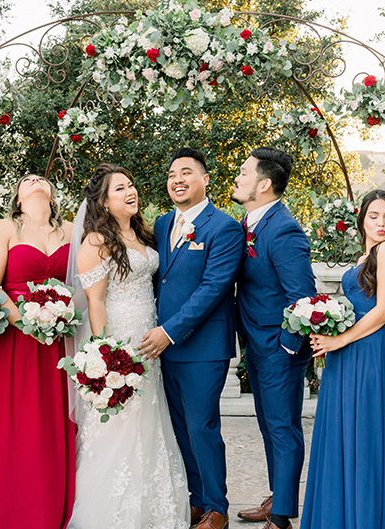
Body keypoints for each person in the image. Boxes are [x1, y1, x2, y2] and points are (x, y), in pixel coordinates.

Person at [67, 164, 189, 529]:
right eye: (120, 189)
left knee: (150, 416)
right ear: (103, 202)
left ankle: (152, 509)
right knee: (119, 424)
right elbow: (96, 302)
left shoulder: (145, 234)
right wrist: (107, 358)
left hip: (150, 337)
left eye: (131, 186)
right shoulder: (96, 242)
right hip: (119, 339)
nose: (130, 192)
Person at [139, 147, 243, 529]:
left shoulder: (225, 227)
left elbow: (214, 287)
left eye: (186, 172)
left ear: (205, 179)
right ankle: (197, 499)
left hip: (201, 347)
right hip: (162, 348)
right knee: (181, 427)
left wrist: (169, 331)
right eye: (171, 174)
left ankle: (218, 507)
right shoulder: (163, 224)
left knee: (202, 426)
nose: (177, 180)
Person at [301, 189, 385, 529]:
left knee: (365, 439)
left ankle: (365, 519)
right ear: (362, 218)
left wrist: (340, 339)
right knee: (342, 436)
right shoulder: (366, 256)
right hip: (347, 353)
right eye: (374, 216)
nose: (381, 224)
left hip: (372, 352)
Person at [0, 173, 76, 528]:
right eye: (27, 180)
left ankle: (58, 507)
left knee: (59, 420)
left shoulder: (71, 229)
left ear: (52, 192)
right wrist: (26, 323)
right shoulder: (5, 229)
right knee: (20, 423)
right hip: (17, 340)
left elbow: (81, 283)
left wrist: (59, 320)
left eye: (41, 178)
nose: (35, 180)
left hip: (62, 339)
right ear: (18, 198)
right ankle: (17, 511)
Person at [232, 147, 316, 529]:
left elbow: (302, 297)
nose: (237, 177)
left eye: (245, 173)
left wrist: (285, 345)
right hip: (256, 344)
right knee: (269, 427)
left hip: (279, 349)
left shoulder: (284, 229)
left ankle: (281, 517)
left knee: (282, 429)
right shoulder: (250, 223)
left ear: (264, 185)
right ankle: (276, 495)